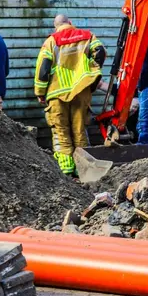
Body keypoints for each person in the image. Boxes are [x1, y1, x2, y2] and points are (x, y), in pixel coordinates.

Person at [35, 14, 106, 175]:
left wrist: (40, 92)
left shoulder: (51, 41)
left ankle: (66, 172)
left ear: (56, 26)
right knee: (80, 131)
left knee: (61, 132)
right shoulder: (87, 36)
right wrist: (91, 73)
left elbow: (43, 69)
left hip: (57, 94)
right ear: (70, 23)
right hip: (81, 91)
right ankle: (85, 171)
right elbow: (100, 52)